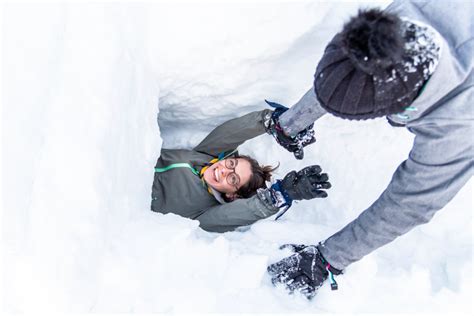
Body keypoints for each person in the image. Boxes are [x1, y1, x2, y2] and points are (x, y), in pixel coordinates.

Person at [265, 0, 473, 298]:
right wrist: (290, 124)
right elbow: (346, 78)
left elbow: (409, 203)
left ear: (398, 108)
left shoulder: (458, 126)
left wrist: (328, 259)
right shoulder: (390, 27)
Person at [151, 110, 332, 233]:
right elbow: (231, 133)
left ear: (232, 196)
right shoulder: (206, 157)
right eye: (230, 164)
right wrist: (270, 121)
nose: (223, 171)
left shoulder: (204, 213)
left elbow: (236, 214)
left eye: (232, 179)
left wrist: (278, 196)